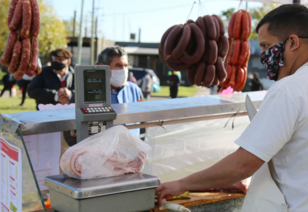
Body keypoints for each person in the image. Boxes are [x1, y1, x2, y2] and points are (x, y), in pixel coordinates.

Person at [155, 5, 308, 211]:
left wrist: (181, 183)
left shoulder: (288, 90)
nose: (262, 55)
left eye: (265, 45)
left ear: (293, 42)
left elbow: (243, 164)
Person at [97, 46, 143, 135]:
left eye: (126, 66)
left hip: (131, 147)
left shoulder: (135, 90)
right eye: (118, 65)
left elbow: (142, 122)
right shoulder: (91, 93)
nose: (124, 70)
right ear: (103, 67)